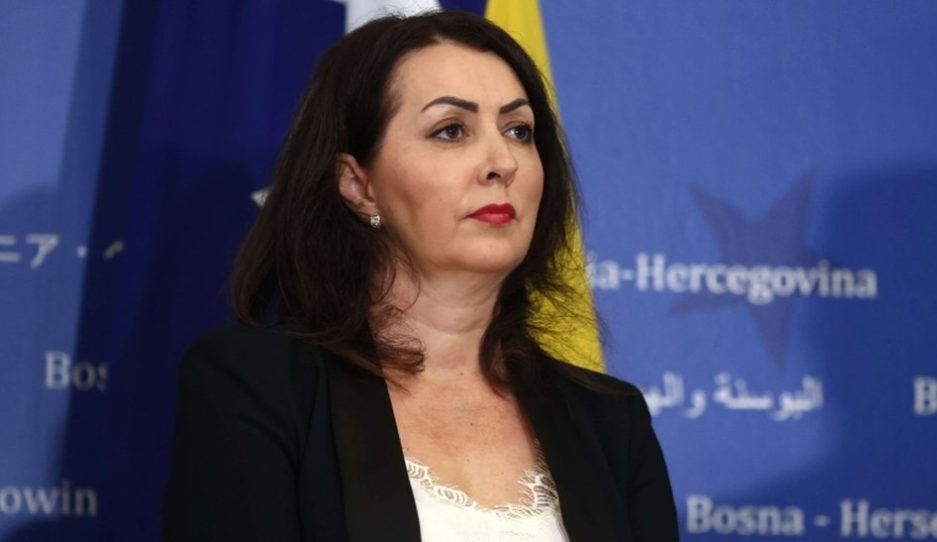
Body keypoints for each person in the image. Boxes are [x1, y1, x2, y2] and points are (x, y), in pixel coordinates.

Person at [161, 11, 678, 542]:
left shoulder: (612, 422)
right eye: (451, 131)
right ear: (359, 186)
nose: (502, 162)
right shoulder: (256, 388)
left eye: (518, 130)